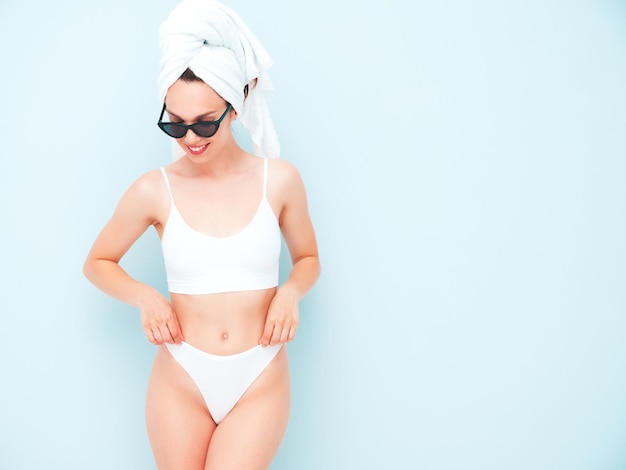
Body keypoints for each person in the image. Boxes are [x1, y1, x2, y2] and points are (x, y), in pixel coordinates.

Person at [82, 1, 320, 468]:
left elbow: (308, 257)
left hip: (260, 376)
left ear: (236, 107)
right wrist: (144, 297)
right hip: (182, 377)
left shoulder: (281, 181)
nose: (190, 138)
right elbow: (97, 262)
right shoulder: (155, 189)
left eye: (205, 122)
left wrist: (291, 291)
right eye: (175, 122)